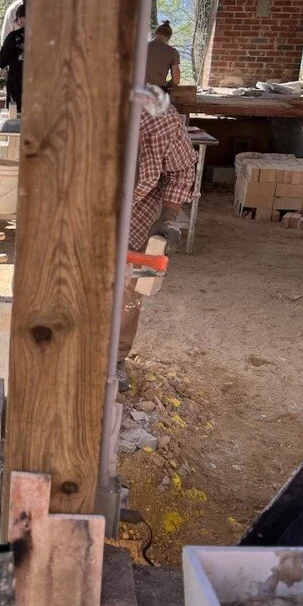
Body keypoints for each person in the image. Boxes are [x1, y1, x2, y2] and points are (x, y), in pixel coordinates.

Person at [115, 103, 197, 390]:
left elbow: (182, 169)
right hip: (78, 205)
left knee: (131, 288)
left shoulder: (160, 120)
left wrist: (168, 217)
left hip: (140, 213)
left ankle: (116, 357)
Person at [0, 3, 26, 112]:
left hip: (17, 88)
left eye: (17, 20)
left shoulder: (13, 37)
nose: (17, 23)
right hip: (39, 89)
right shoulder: (45, 38)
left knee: (16, 118)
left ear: (21, 18)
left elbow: (1, 61)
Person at [146, 20, 181, 89]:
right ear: (168, 37)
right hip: (159, 90)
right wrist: (167, 84)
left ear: (156, 33)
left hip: (138, 88)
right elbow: (176, 80)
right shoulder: (173, 52)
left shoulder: (141, 47)